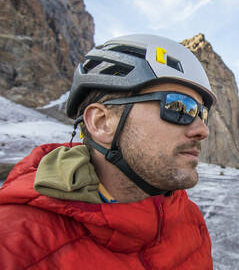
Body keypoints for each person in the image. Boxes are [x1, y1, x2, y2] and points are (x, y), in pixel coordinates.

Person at [0, 34, 215, 269]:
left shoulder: (191, 220)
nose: (202, 129)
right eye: (179, 107)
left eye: (202, 114)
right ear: (102, 122)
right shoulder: (14, 241)